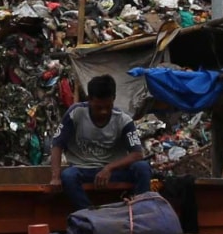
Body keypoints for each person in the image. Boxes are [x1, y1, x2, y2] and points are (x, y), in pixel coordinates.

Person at [49, 74, 151, 212]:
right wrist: (55, 177)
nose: (103, 111)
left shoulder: (123, 120)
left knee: (142, 167)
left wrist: (109, 168)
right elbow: (57, 144)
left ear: (114, 99)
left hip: (113, 171)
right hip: (84, 169)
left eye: (108, 107)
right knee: (68, 176)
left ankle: (140, 212)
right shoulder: (75, 113)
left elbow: (137, 154)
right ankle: (89, 215)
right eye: (98, 107)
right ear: (90, 100)